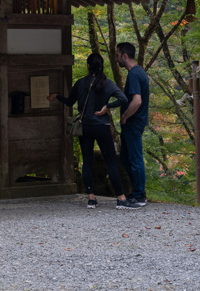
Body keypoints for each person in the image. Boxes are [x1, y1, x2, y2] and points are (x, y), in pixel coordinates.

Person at [48, 53, 140, 209]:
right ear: (101, 66)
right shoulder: (107, 84)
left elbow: (70, 102)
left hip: (84, 127)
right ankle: (121, 198)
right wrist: (107, 107)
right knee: (111, 162)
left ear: (88, 66)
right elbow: (123, 99)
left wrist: (57, 97)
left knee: (87, 161)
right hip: (101, 126)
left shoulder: (80, 83)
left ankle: (91, 198)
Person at [117, 41, 150, 207]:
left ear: (125, 55)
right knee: (125, 157)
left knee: (135, 158)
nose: (117, 60)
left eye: (117, 56)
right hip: (135, 122)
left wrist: (125, 116)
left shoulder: (134, 75)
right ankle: (136, 192)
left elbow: (137, 101)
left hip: (133, 122)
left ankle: (139, 195)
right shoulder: (139, 72)